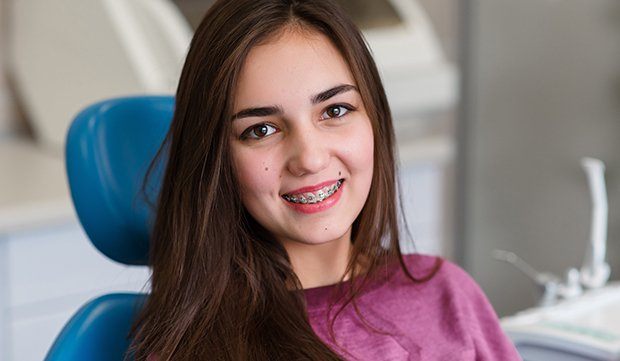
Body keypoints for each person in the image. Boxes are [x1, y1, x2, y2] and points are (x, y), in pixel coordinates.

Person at [129, 0, 522, 360]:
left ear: (375, 120)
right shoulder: (198, 348)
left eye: (335, 110)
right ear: (216, 160)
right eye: (261, 130)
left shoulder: (446, 294)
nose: (311, 158)